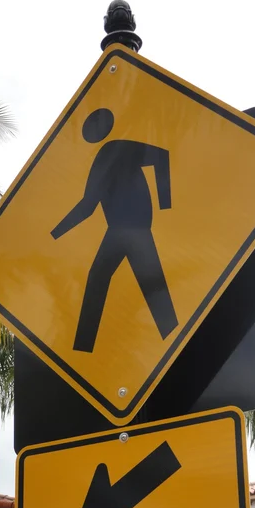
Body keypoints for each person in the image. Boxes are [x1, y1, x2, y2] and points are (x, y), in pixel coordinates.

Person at [51, 108, 178, 353]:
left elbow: (161, 156)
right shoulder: (102, 158)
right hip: (119, 231)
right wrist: (55, 233)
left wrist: (166, 204)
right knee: (103, 278)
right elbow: (88, 205)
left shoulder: (118, 148)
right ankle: (83, 349)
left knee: (149, 283)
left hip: (134, 229)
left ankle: (173, 339)